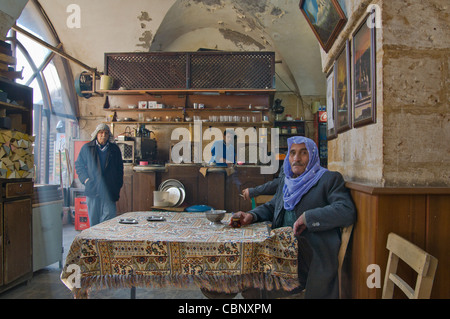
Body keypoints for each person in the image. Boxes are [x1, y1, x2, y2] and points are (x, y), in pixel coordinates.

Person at [231, 136, 356, 299]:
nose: (297, 158)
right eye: (293, 153)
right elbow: (272, 206)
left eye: (303, 153)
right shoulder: (287, 182)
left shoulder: (328, 179)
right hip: (279, 256)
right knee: (244, 275)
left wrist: (308, 218)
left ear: (313, 156)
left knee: (250, 285)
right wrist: (252, 215)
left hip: (306, 263)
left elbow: (346, 210)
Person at [75, 123, 124, 227]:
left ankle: (106, 242)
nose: (103, 135)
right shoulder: (87, 148)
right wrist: (86, 180)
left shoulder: (114, 150)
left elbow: (120, 169)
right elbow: (79, 165)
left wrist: (117, 185)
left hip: (109, 190)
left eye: (106, 133)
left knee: (109, 220)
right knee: (94, 222)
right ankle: (95, 242)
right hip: (93, 188)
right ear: (96, 134)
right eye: (101, 133)